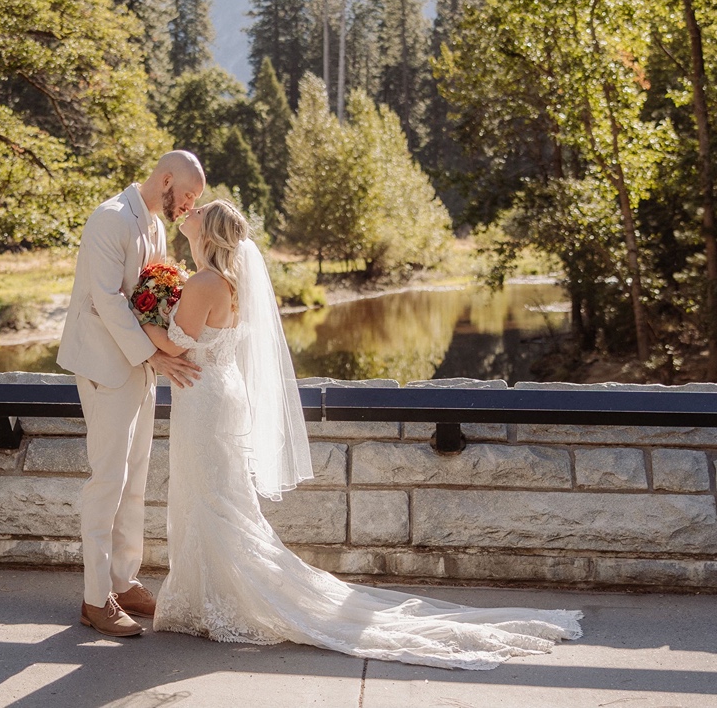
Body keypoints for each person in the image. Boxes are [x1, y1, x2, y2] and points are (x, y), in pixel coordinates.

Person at [141, 199, 584, 669]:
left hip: (204, 398)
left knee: (210, 497)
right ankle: (207, 596)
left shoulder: (205, 282)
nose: (186, 216)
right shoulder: (230, 282)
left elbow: (176, 345)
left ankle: (213, 600)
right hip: (218, 394)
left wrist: (139, 319)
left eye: (195, 215)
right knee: (219, 497)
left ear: (207, 233)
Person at [58, 151, 206, 637]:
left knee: (136, 478)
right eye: (185, 195)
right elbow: (108, 298)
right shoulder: (110, 219)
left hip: (141, 365)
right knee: (107, 480)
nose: (186, 206)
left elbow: (152, 295)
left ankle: (123, 581)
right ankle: (95, 600)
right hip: (107, 365)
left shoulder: (157, 226)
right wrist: (153, 355)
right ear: (165, 179)